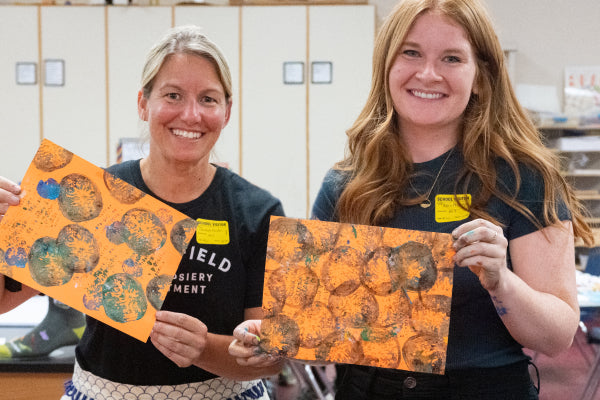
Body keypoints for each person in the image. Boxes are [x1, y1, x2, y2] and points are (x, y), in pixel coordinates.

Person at [229, 0, 594, 399]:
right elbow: (319, 329)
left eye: (452, 58)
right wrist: (267, 338)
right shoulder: (347, 183)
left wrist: (501, 282)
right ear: (387, 65)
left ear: (481, 77)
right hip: (367, 388)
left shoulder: (523, 178)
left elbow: (558, 335)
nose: (428, 73)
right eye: (411, 52)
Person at [0, 25, 283, 399]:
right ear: (143, 103)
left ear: (227, 112)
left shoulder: (257, 212)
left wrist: (206, 349)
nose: (191, 114)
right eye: (173, 95)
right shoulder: (93, 198)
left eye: (209, 99)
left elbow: (273, 356)